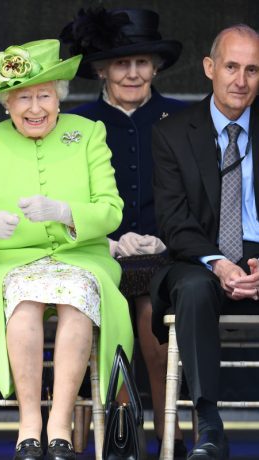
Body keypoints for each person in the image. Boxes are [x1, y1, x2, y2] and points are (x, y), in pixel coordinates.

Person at [0, 39, 133, 460]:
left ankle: (60, 425)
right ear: (6, 104)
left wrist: (67, 212)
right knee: (25, 302)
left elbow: (111, 211)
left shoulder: (88, 133)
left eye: (44, 96)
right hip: (10, 263)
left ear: (59, 97)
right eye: (24, 97)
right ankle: (29, 422)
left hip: (79, 257)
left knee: (76, 299)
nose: (35, 108)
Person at [60, 7, 187, 456]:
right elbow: (65, 199)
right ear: (100, 68)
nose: (133, 73)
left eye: (142, 63)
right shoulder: (73, 124)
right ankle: (121, 427)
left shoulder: (186, 119)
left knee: (154, 309)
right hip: (98, 252)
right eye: (121, 63)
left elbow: (202, 199)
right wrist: (108, 242)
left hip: (167, 252)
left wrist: (169, 239)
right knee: (108, 300)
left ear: (156, 67)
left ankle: (166, 431)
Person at [150, 24, 259, 460]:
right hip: (198, 255)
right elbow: (173, 222)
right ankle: (209, 422)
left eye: (253, 70)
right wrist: (220, 263)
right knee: (192, 289)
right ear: (209, 68)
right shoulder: (173, 133)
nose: (241, 80)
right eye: (231, 67)